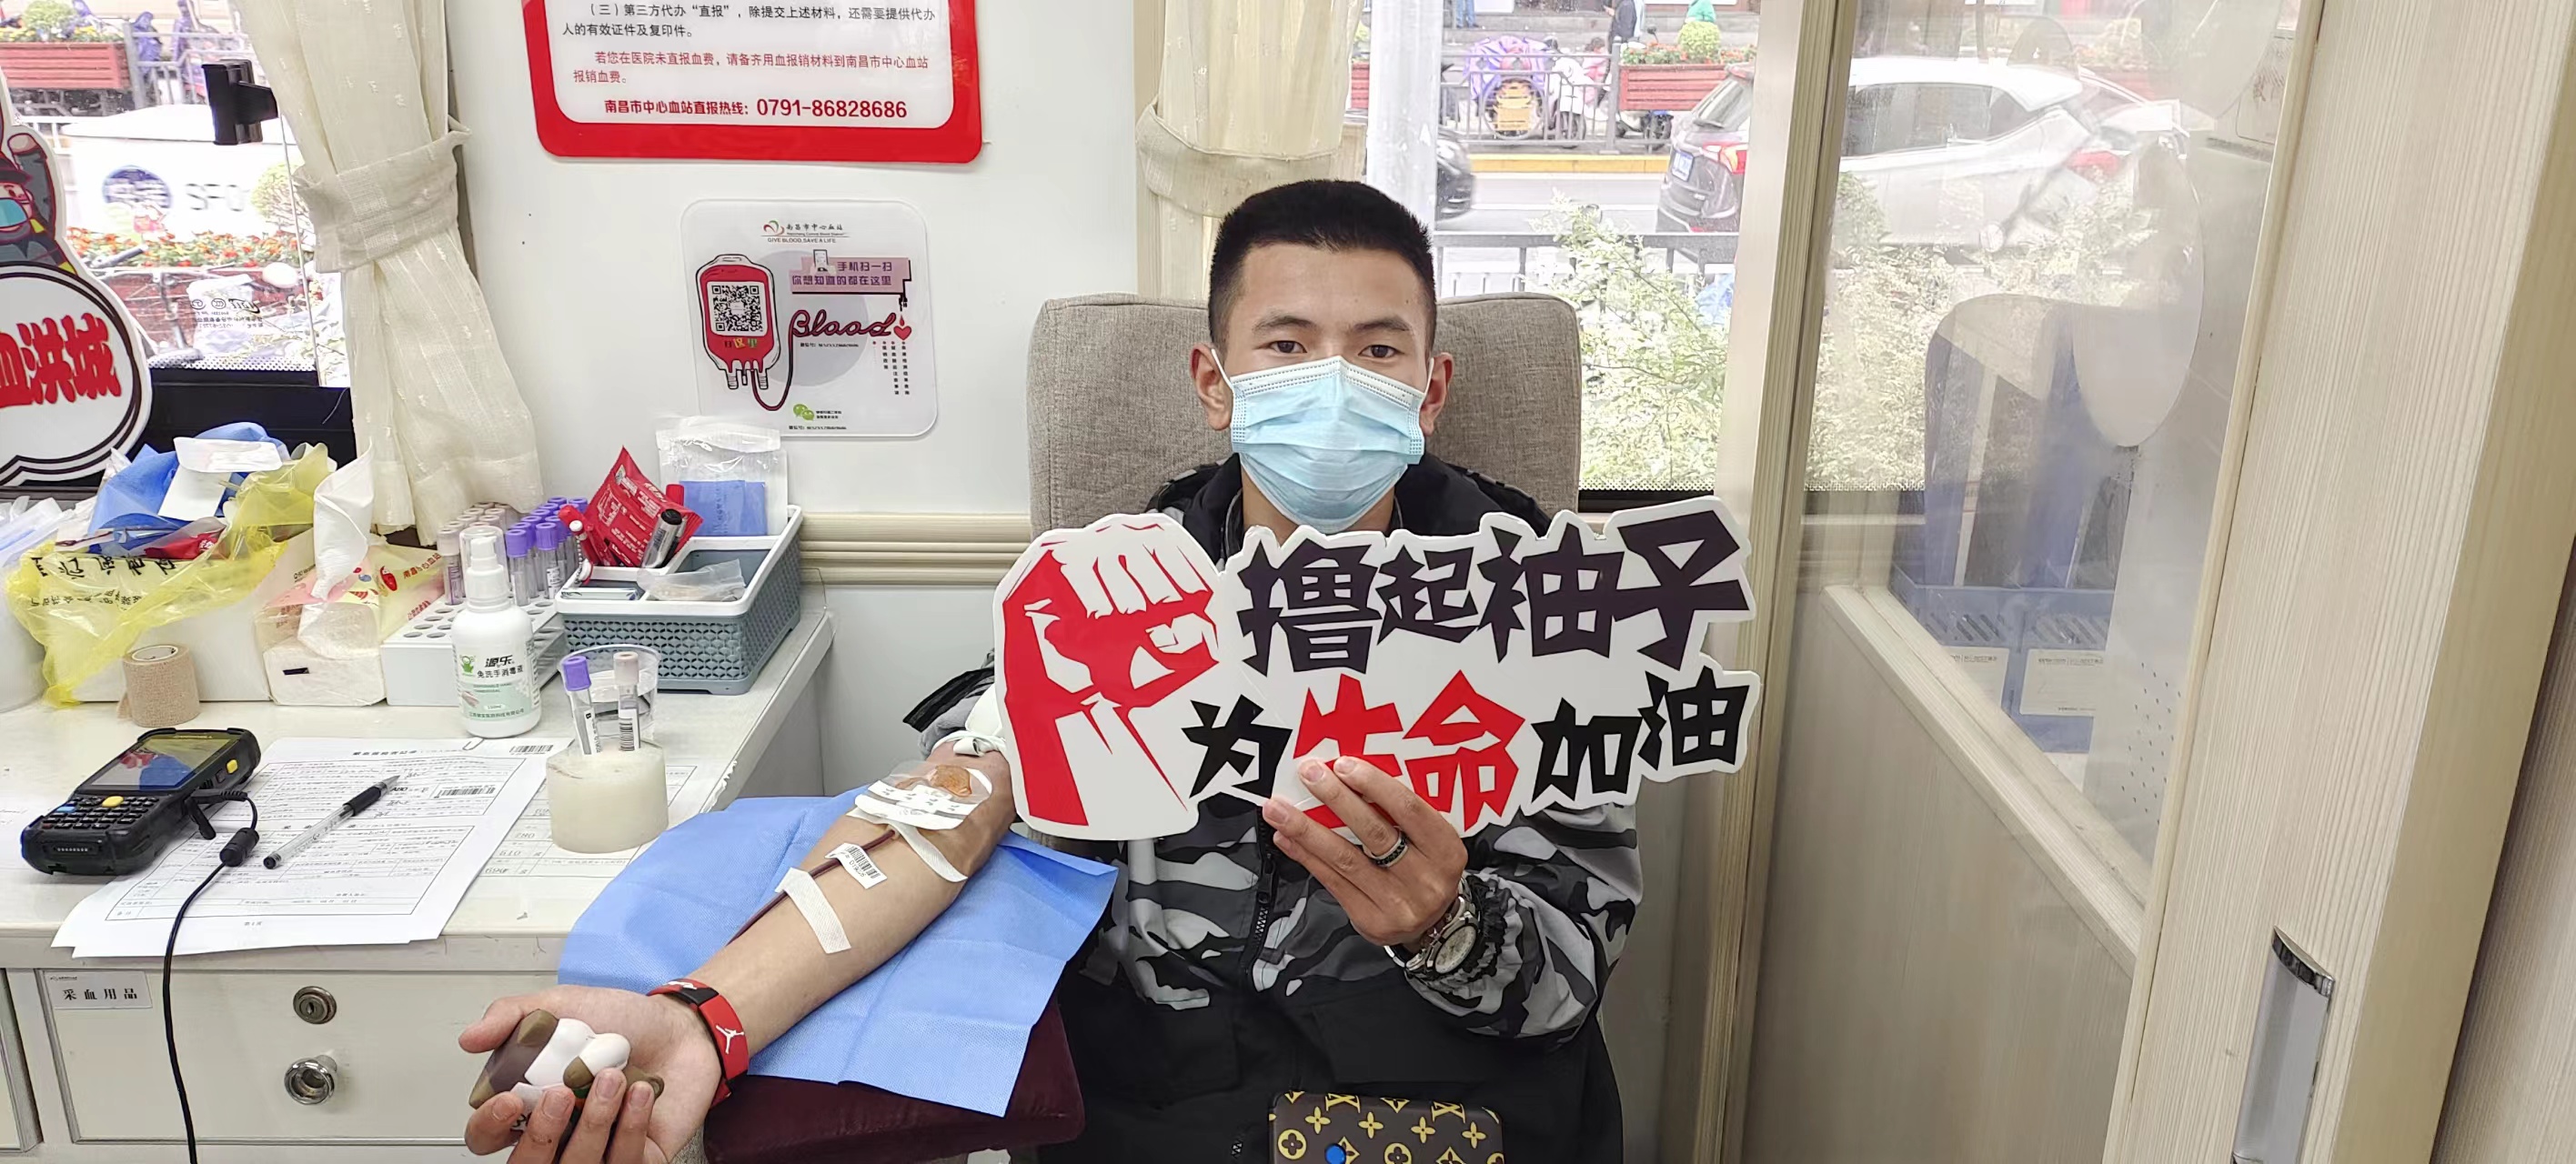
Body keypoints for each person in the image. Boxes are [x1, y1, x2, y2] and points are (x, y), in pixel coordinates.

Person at [459, 180, 1635, 1163]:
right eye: (1286, 346)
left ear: (1429, 391)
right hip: (1161, 1112)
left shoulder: (1547, 619)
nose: (1333, 382)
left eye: (1377, 351)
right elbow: (949, 809)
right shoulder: (1113, 595)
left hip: (1437, 1115)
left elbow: (1565, 991)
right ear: (1214, 383)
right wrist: (705, 1017)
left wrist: (1444, 924)